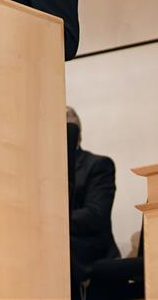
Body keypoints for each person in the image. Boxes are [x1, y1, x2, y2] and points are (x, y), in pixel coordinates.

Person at [66, 106, 120, 297]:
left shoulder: (98, 165)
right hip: (59, 245)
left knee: (57, 248)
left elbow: (96, 215)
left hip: (89, 248)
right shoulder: (42, 175)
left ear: (77, 134)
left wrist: (52, 222)